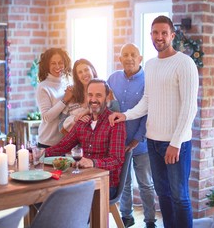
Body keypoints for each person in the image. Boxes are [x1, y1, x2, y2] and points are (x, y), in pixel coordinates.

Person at [109, 16, 199, 228]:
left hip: (176, 144)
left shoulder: (184, 63)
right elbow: (147, 101)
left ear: (172, 36)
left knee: (180, 196)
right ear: (151, 36)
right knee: (163, 195)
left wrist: (176, 142)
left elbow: (189, 107)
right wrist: (125, 115)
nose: (159, 37)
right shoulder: (150, 64)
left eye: (164, 33)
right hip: (153, 142)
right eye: (155, 33)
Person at [46, 78, 126, 198]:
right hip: (82, 180)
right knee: (47, 193)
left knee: (65, 199)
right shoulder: (82, 122)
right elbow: (62, 146)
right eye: (90, 95)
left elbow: (116, 160)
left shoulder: (115, 122)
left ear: (107, 97)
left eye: (98, 95)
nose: (93, 99)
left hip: (105, 184)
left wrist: (91, 162)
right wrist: (39, 154)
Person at [107, 43, 157, 228]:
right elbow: (109, 109)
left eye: (132, 54)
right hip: (118, 144)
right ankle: (126, 217)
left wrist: (137, 138)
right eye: (125, 55)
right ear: (120, 59)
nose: (129, 58)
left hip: (141, 144)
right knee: (124, 183)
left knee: (145, 183)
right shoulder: (112, 79)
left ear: (140, 58)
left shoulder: (148, 80)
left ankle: (150, 220)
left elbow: (148, 112)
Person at [59, 58, 119, 134]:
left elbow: (116, 116)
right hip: (77, 144)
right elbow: (61, 126)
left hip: (101, 143)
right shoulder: (72, 95)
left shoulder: (106, 90)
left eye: (86, 70)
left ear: (92, 70)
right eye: (80, 72)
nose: (84, 74)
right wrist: (75, 120)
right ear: (77, 77)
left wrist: (86, 112)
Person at [36, 48, 73, 148]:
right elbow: (47, 117)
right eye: (53, 63)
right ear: (47, 65)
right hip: (47, 143)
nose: (57, 66)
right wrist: (65, 99)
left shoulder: (67, 83)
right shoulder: (43, 87)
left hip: (65, 142)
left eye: (60, 63)